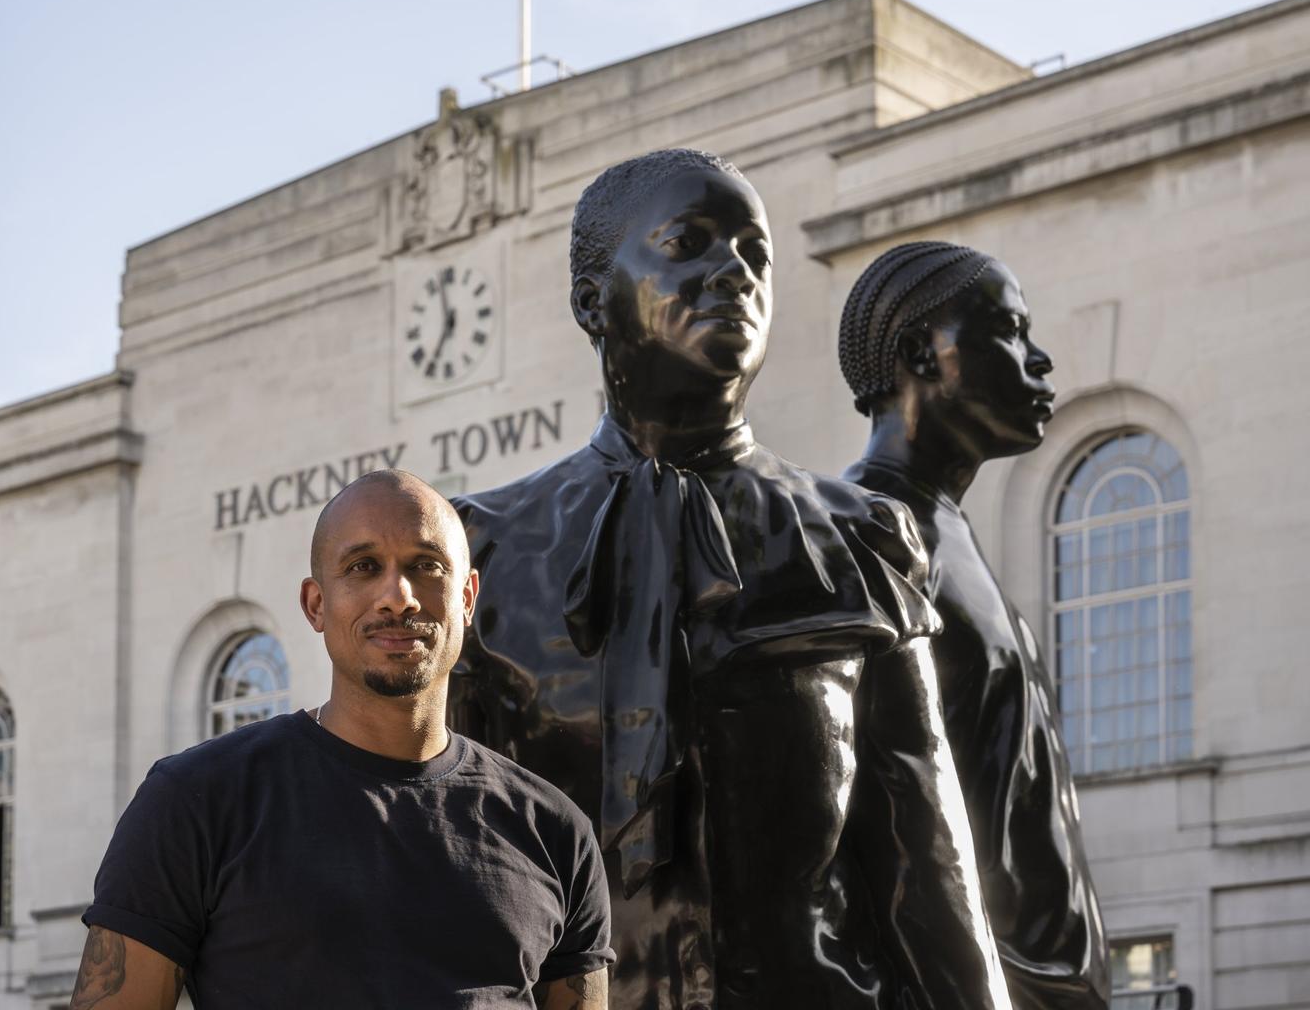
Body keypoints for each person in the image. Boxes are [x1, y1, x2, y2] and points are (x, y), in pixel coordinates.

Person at [451, 149, 1010, 1009]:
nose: (732, 273)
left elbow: (927, 868)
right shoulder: (481, 549)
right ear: (591, 300)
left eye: (755, 254)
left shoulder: (858, 538)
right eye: (689, 244)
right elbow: (446, 869)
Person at [73, 470, 614, 1009]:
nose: (398, 597)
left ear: (467, 598)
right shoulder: (196, 800)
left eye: (426, 566)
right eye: (363, 567)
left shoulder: (556, 832)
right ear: (315, 604)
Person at [840, 241, 1110, 1009]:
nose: (1041, 359)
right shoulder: (860, 537)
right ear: (922, 353)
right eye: (1010, 331)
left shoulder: (949, 533)